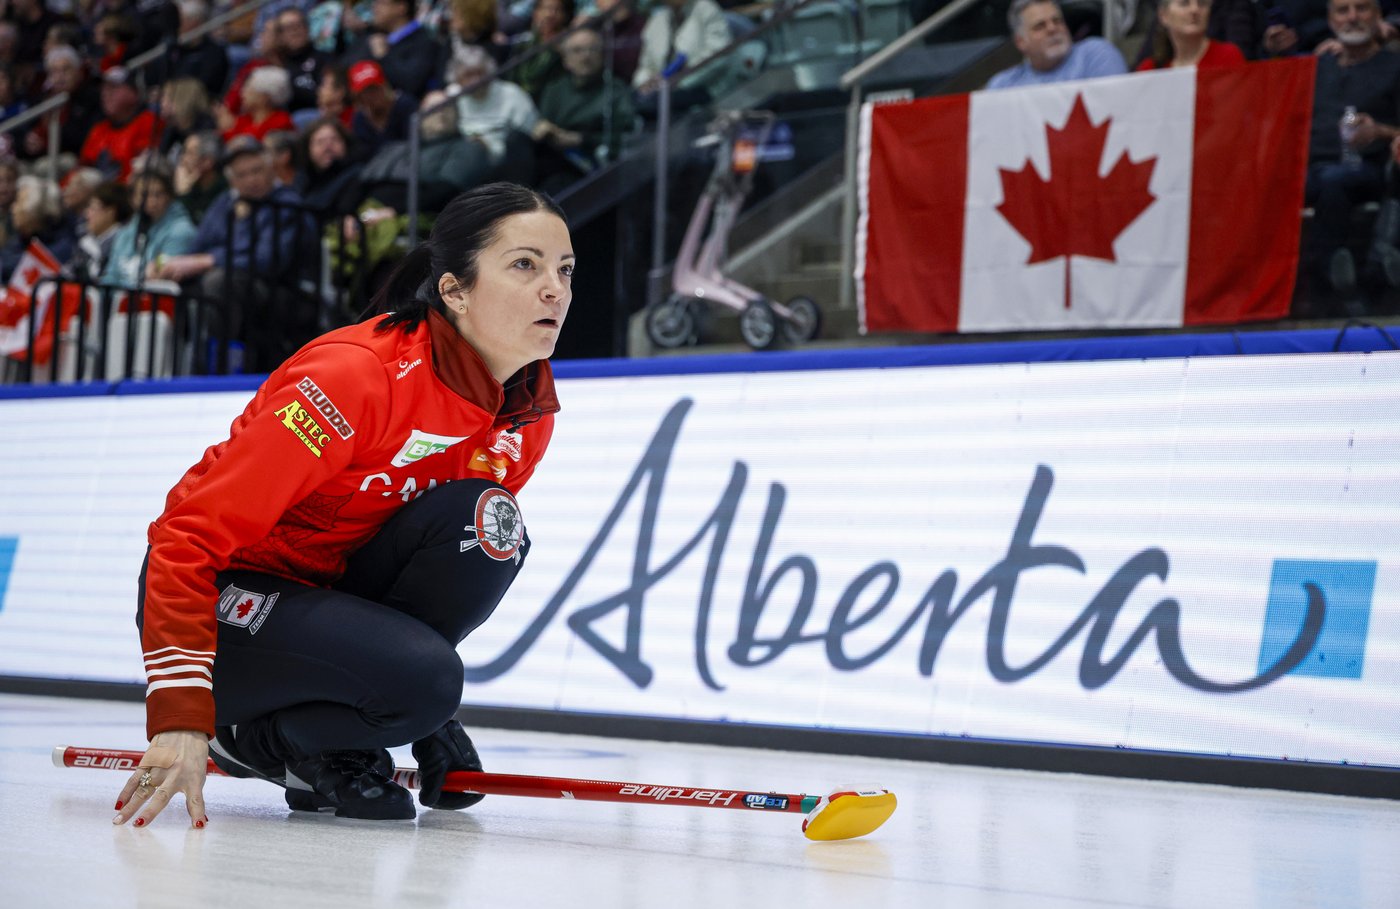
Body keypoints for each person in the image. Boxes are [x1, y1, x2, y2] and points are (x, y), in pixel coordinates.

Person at [111, 182, 572, 827]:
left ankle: (341, 731)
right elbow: (186, 539)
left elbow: (432, 569)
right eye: (525, 265)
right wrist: (181, 716)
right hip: (229, 603)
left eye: (565, 269)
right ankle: (248, 741)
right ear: (455, 290)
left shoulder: (526, 414)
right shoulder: (353, 378)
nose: (555, 288)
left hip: (325, 597)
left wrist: (423, 716)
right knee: (428, 678)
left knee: (486, 525)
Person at [153, 135, 316, 371]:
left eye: (256, 170)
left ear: (271, 169)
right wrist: (172, 263)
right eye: (242, 175)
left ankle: (220, 368)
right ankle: (180, 369)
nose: (251, 180)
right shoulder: (224, 203)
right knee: (185, 283)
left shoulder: (287, 205)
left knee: (219, 282)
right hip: (232, 282)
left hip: (281, 289)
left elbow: (266, 261)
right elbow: (197, 248)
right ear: (232, 180)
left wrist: (210, 260)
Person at [1301, 0, 1400, 302]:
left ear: (1378, 16)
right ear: (1330, 21)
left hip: (1373, 169)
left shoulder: (1395, 67)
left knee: (1334, 183)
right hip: (1311, 169)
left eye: (1362, 8)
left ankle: (1329, 277)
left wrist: (1381, 132)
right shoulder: (1315, 69)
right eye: (1343, 11)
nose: (1353, 17)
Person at [533, 25, 634, 190]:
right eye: (577, 50)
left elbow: (626, 138)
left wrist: (580, 139)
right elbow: (544, 124)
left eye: (592, 49)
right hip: (554, 157)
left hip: (591, 165)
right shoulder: (554, 89)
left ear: (603, 55)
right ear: (565, 59)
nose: (586, 56)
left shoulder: (615, 91)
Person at [985, 0, 1127, 90]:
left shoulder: (1095, 54)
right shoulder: (1004, 85)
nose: (1052, 29)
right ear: (1021, 42)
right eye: (1040, 26)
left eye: (1057, 20)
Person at [103, 168, 199, 288]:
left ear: (169, 196)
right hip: (123, 300)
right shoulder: (124, 232)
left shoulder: (182, 231)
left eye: (158, 194)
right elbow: (111, 275)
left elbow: (160, 278)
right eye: (145, 195)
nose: (152, 201)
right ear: (133, 199)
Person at [632, 0, 732, 110]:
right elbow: (646, 65)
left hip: (702, 90)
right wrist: (643, 83)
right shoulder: (657, 20)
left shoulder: (706, 9)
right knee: (636, 102)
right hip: (661, 93)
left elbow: (719, 55)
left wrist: (679, 81)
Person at [342, 0, 444, 98]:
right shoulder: (373, 37)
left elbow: (411, 84)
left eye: (381, 2)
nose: (375, 7)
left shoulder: (424, 41)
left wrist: (384, 57)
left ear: (401, 7)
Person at [1136, 0, 1247, 69]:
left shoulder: (1228, 57)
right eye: (1184, 3)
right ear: (1163, 15)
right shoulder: (1150, 69)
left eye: (1202, 3)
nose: (1194, 9)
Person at [66, 179, 132, 282]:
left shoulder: (123, 243)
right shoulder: (85, 241)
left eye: (93, 208)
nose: (87, 214)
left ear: (110, 212)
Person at [223, 66, 298, 141]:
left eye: (248, 89)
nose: (242, 94)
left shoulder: (281, 123)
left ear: (264, 97)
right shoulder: (243, 121)